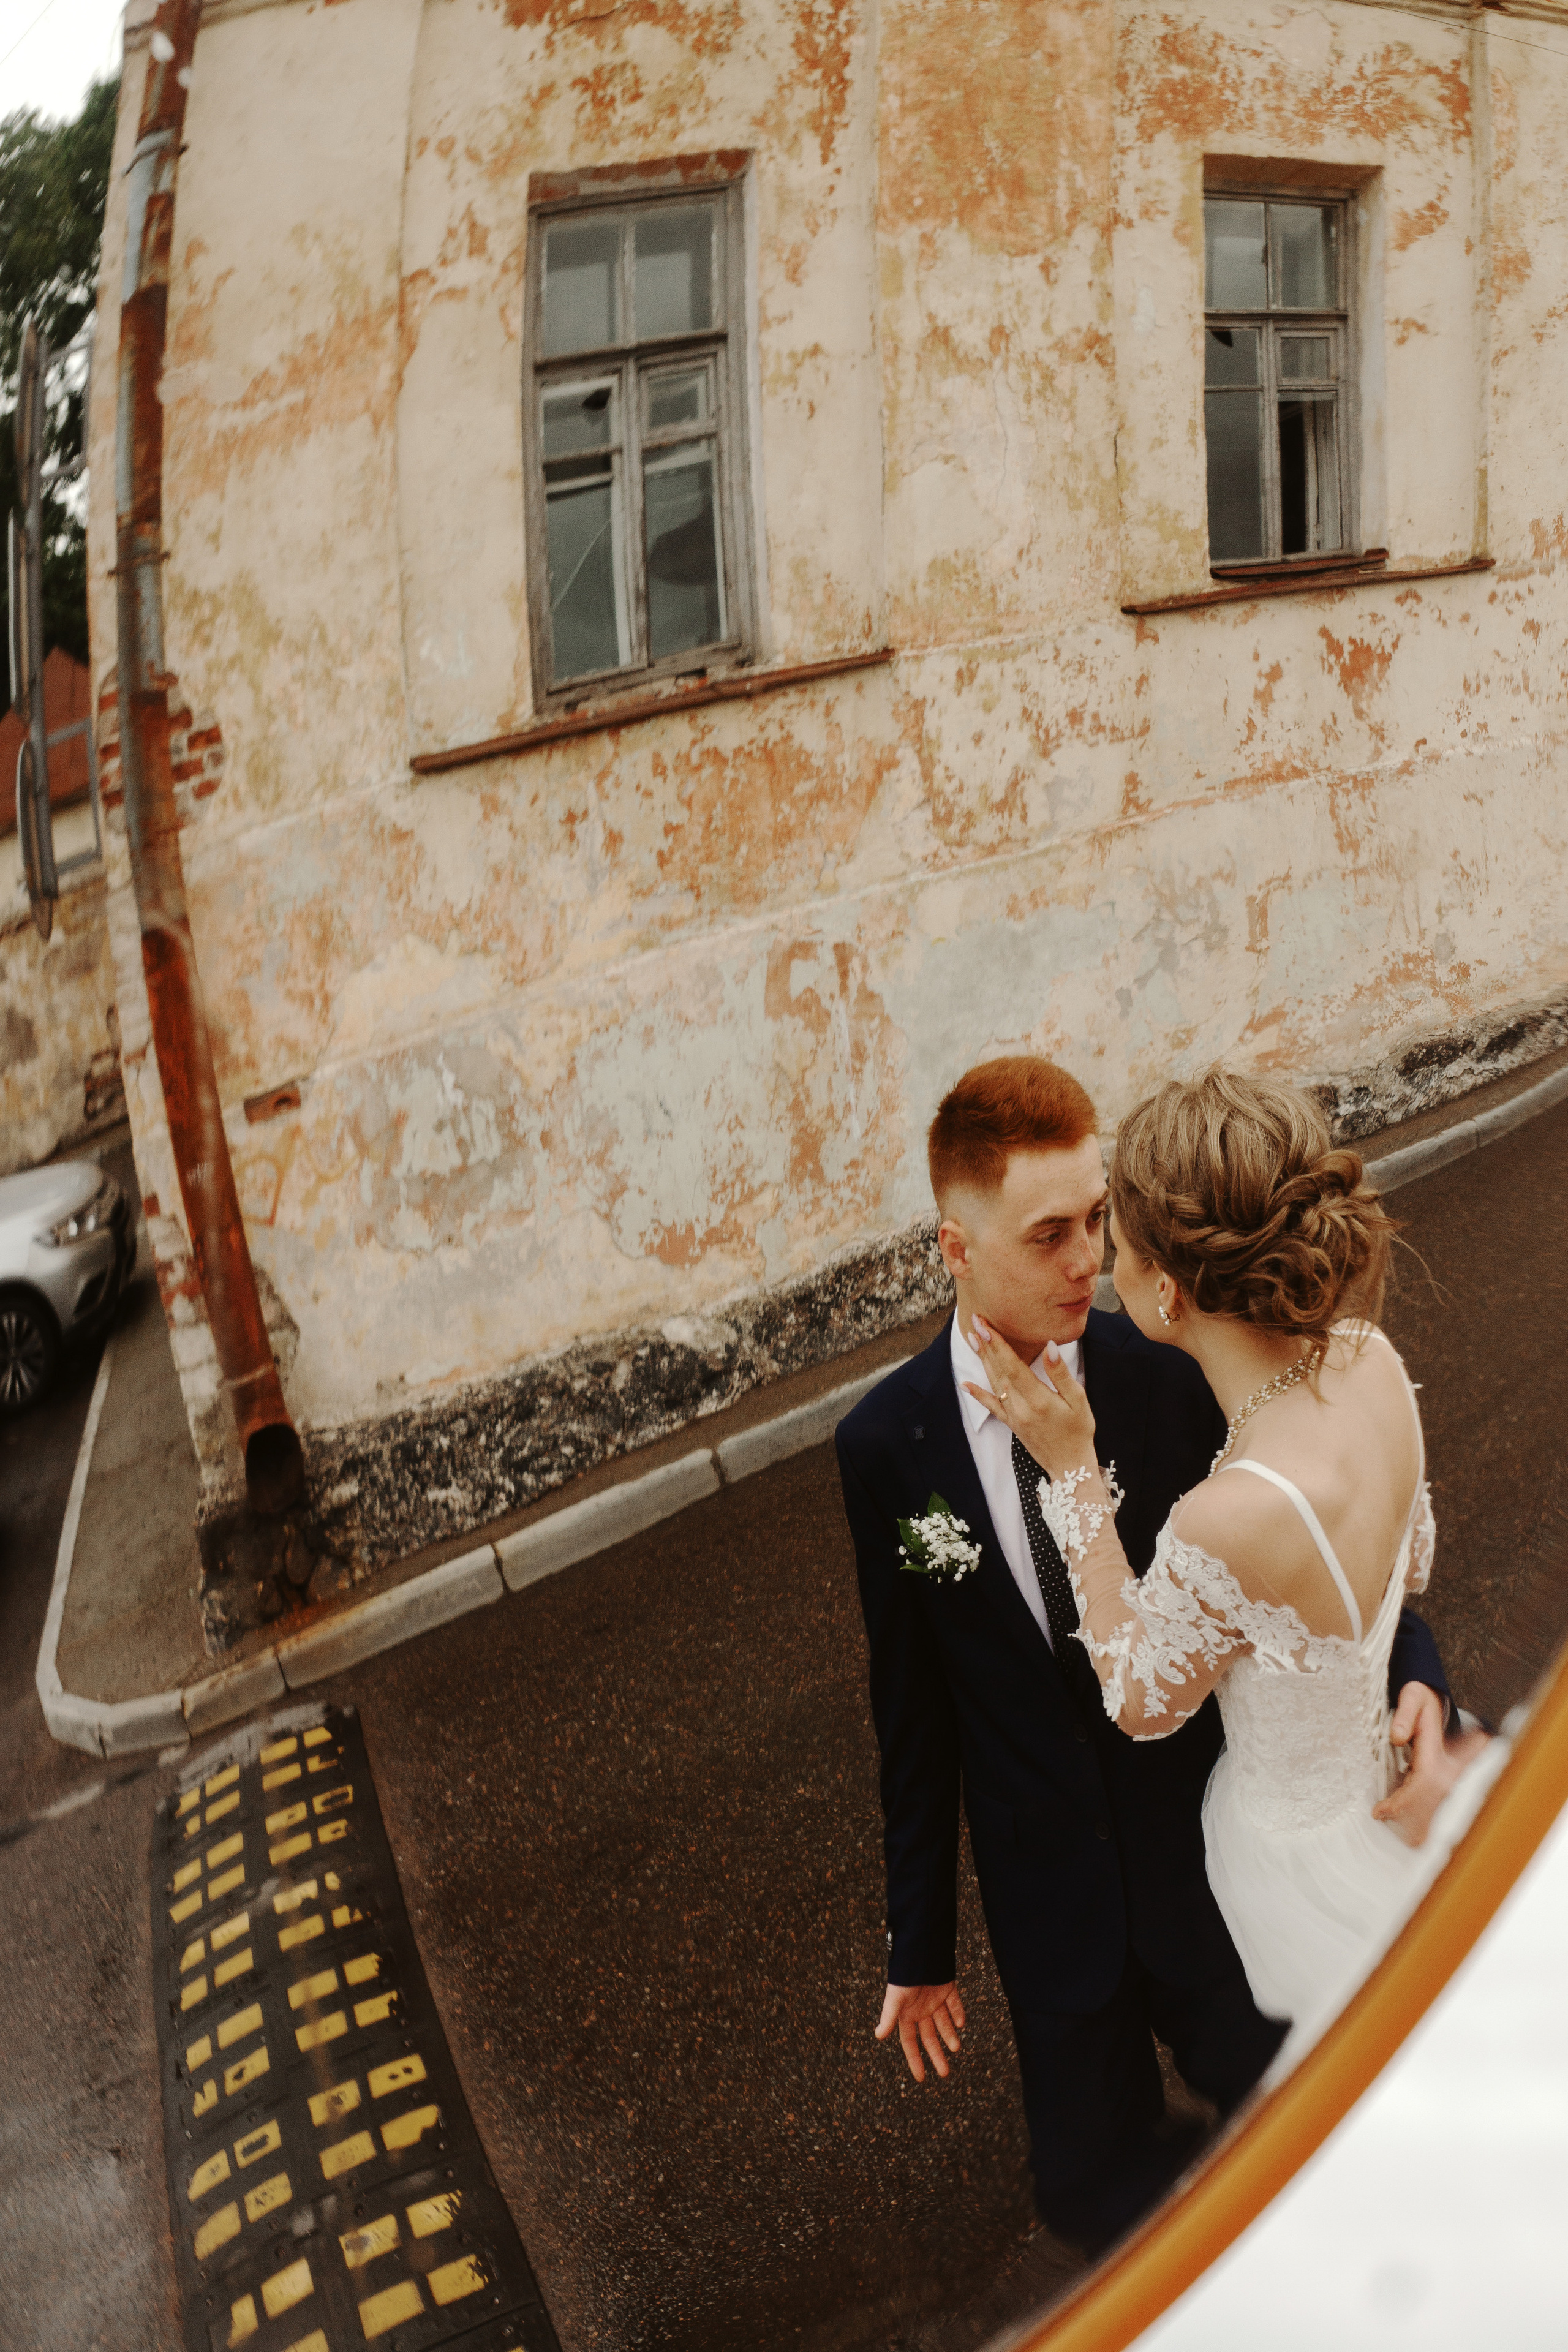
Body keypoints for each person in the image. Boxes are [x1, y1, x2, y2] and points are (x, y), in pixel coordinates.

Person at [835, 1056, 1460, 2255]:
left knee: (1308, 2144)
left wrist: (1409, 1667)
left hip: (1218, 1868)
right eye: (1050, 1232)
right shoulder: (886, 1442)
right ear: (954, 1248)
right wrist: (915, 1946)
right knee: (1092, 2197)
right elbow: (909, 1713)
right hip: (1052, 1906)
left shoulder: (1174, 1362)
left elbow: (1319, 1542)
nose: (1086, 1259)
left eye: (1098, 1222)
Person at [963, 1066, 1487, 2068]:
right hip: (1388, 1783)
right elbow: (1401, 1569)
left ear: (1165, 1290)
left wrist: (1071, 1471)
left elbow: (1141, 1699)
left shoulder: (1229, 1515)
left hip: (1305, 1868)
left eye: (1113, 1235)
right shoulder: (1370, 1358)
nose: (1095, 1260)